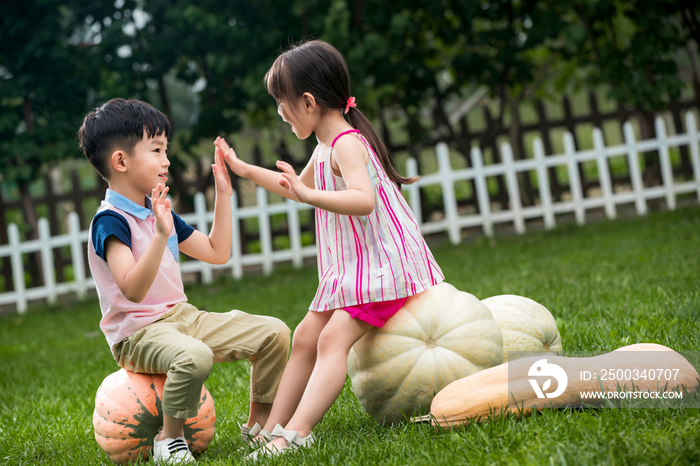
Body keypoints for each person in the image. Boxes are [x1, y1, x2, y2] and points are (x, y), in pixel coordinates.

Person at [215, 40, 444, 458]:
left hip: (384, 271)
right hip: (355, 269)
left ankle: (295, 434)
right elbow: (294, 189)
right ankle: (270, 429)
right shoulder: (325, 146)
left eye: (282, 103)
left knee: (331, 341)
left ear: (307, 101)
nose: (280, 113)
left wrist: (309, 193)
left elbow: (363, 199)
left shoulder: (346, 144)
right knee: (305, 336)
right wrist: (245, 170)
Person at [78, 98, 290, 464]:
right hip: (138, 334)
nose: (166, 160)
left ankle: (259, 427)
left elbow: (216, 251)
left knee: (274, 333)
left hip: (183, 318)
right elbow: (131, 288)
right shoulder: (110, 221)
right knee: (195, 356)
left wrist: (223, 194)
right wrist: (160, 236)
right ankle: (169, 439)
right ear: (121, 161)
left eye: (166, 150)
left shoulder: (157, 210)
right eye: (157, 150)